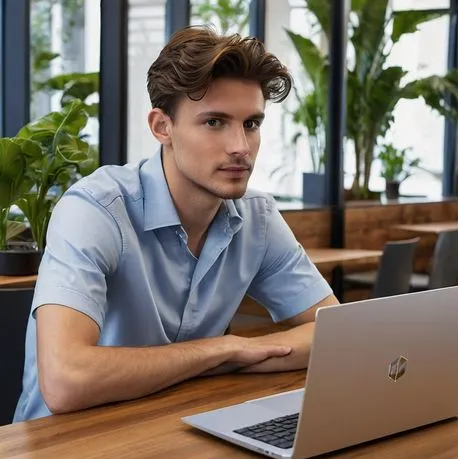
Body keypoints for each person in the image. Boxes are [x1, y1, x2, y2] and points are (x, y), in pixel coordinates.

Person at [14, 26, 337, 422]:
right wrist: (218, 349)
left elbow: (333, 335)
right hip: (58, 452)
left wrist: (217, 360)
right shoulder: (95, 209)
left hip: (176, 428)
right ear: (161, 127)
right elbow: (66, 381)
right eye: (215, 122)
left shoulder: (258, 218)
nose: (240, 146)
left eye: (251, 124)